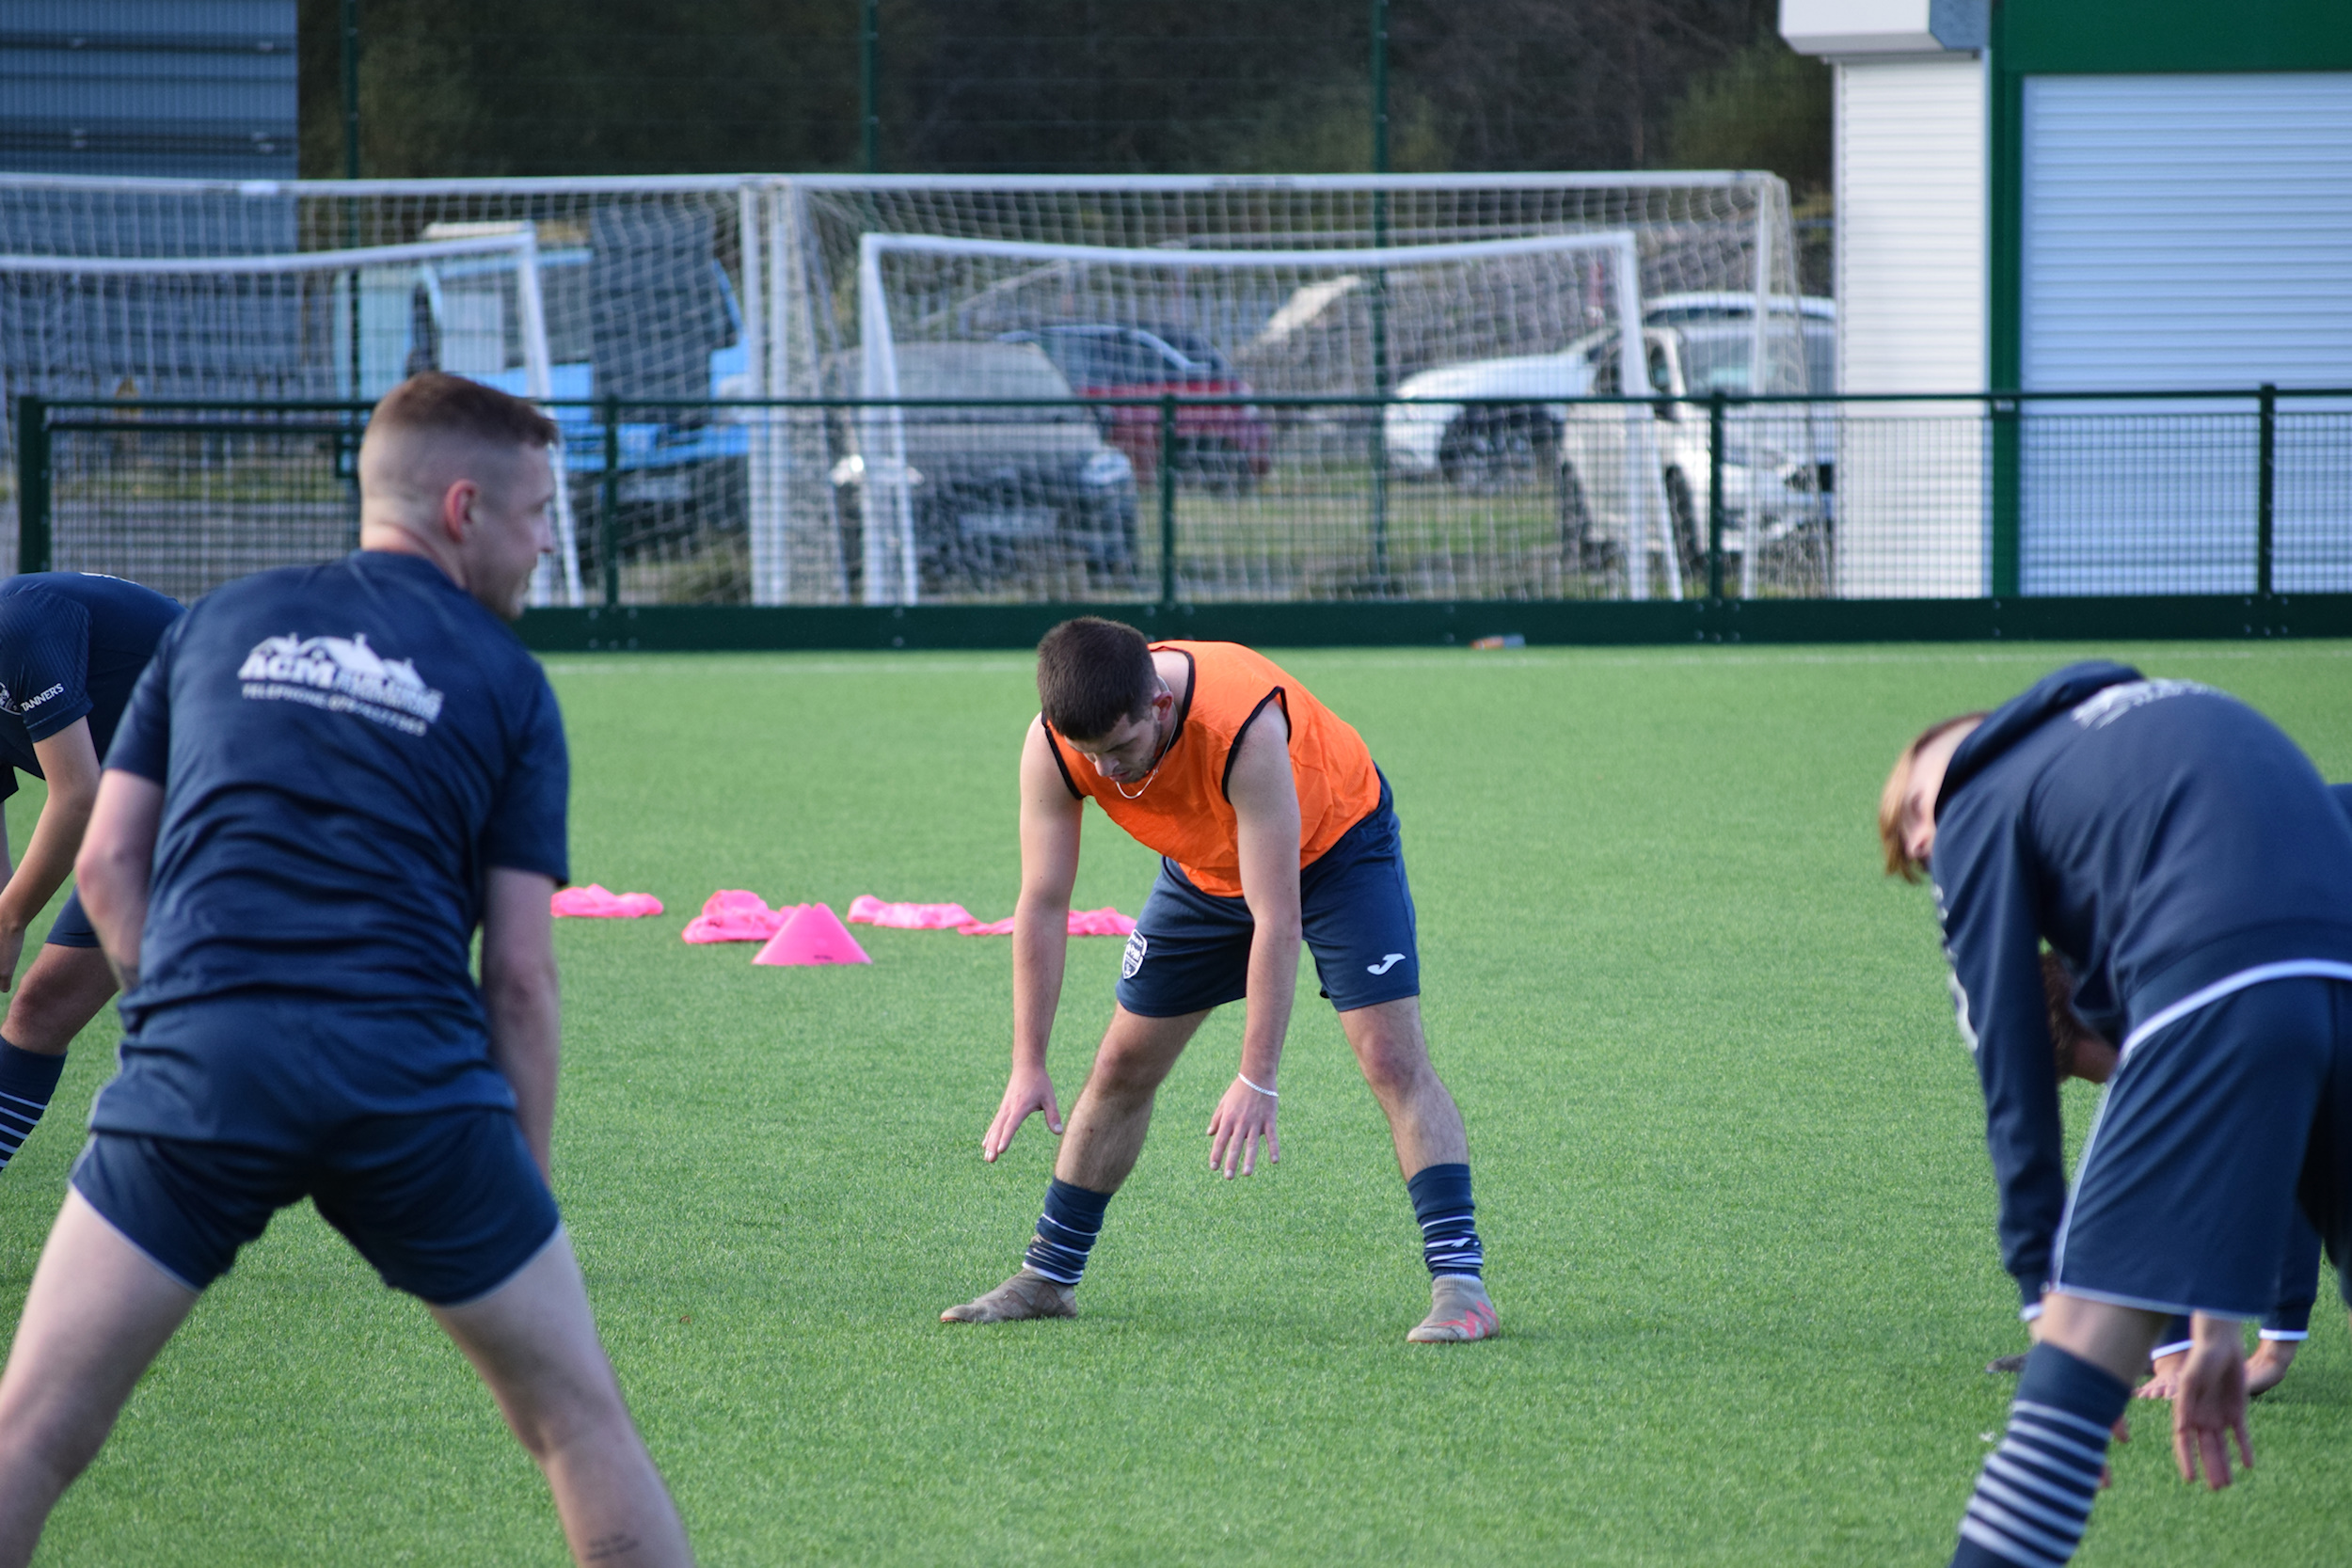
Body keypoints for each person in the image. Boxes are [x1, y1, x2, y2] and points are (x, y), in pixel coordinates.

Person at [0, 373, 691, 1568]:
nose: (543, 547)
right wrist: (514, 1184)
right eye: (537, 516)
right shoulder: (509, 680)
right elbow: (520, 976)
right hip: (415, 1088)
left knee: (34, 1432)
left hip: (200, 1073)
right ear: (463, 507)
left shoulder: (214, 622)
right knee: (578, 1428)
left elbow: (111, 863)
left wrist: (180, 1019)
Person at [1882, 661, 2352, 1568]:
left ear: (1968, 742)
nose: (1927, 844)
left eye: (1914, 811)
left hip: (2220, 977)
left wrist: (2043, 1311)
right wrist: (2216, 1324)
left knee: (2058, 1431)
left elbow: (2012, 1072)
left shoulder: (1982, 792)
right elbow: (2254, 1110)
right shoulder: (2139, 719)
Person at [941, 618, 1495, 1342]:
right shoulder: (1054, 744)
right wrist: (1027, 1062)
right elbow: (1044, 903)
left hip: (1335, 851)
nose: (1108, 772)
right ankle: (1049, 1276)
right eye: (1089, 753)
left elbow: (1278, 918)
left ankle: (1462, 1287)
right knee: (1120, 1062)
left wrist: (1256, 1075)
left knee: (1391, 1061)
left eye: (1122, 748)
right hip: (1205, 871)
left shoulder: (1243, 727)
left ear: (1160, 708)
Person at [2020, 954, 2331, 1402]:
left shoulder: (2222, 1019)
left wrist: (2274, 1351)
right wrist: (2172, 1350)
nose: (2118, 1088)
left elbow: (2291, 1162)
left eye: (2110, 1069)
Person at [0, 573, 183, 1180]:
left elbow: (79, 796)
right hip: (155, 796)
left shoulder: (20, 624)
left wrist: (10, 917)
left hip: (232, 774)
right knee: (40, 1007)